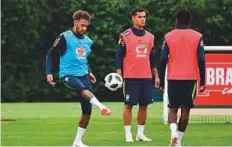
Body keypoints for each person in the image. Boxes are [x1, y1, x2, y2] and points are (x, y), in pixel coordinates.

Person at [45, 10, 111, 147]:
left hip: (83, 74)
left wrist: (89, 71)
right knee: (82, 89)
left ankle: (77, 142)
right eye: (82, 25)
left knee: (87, 111)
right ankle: (102, 106)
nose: (84, 28)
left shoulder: (88, 41)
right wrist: (49, 72)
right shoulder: (64, 36)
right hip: (68, 75)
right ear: (75, 23)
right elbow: (50, 54)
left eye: (86, 26)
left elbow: (84, 58)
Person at [159, 9, 206, 146]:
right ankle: (178, 140)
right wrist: (202, 80)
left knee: (172, 108)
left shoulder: (168, 36)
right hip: (190, 79)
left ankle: (173, 133)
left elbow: (162, 59)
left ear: (177, 20)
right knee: (186, 110)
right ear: (189, 21)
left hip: (173, 78)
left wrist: (161, 81)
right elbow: (202, 60)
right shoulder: (197, 36)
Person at [116, 7, 160, 142]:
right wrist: (119, 74)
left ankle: (140, 134)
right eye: (140, 17)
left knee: (144, 105)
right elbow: (118, 56)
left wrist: (156, 75)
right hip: (130, 77)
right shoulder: (125, 35)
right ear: (133, 18)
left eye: (144, 17)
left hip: (146, 77)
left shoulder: (150, 37)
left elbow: (151, 58)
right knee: (128, 105)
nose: (143, 19)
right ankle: (128, 134)